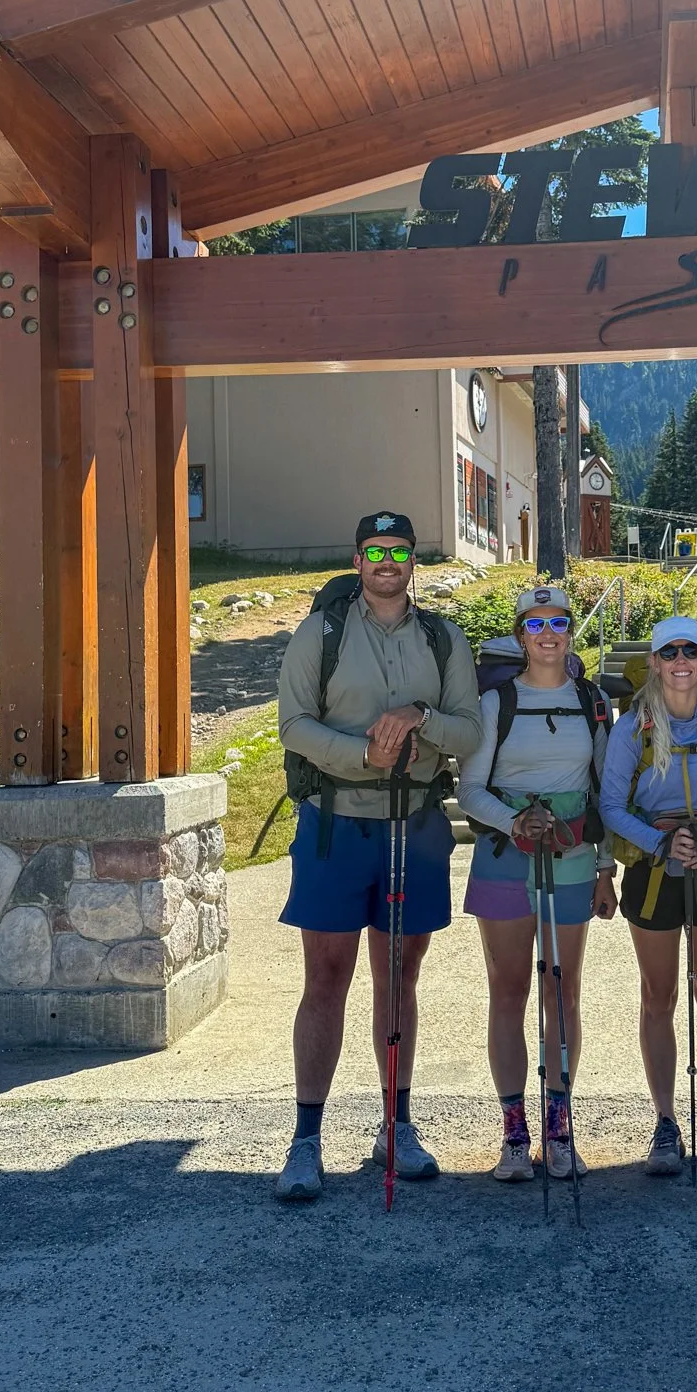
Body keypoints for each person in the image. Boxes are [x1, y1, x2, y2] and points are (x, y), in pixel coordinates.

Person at [272, 512, 481, 1203]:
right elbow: (294, 725)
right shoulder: (322, 631)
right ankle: (306, 1139)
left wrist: (421, 719)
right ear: (357, 559)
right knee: (326, 979)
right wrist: (360, 753)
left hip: (413, 824)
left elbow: (471, 732)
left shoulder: (442, 638)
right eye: (375, 551)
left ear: (414, 560)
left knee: (398, 978)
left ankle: (396, 1124)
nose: (387, 561)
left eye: (399, 550)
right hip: (335, 827)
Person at [457, 586, 616, 1182]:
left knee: (562, 990)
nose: (548, 632)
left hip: (572, 855)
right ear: (520, 634)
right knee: (508, 989)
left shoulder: (591, 700)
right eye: (535, 623)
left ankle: (560, 1123)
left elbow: (605, 790)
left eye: (559, 622)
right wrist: (515, 820)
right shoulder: (496, 703)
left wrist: (605, 866)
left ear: (570, 632)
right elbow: (470, 788)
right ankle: (514, 1130)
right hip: (505, 854)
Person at [599, 616, 697, 1177]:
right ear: (657, 661)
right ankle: (666, 1121)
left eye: (692, 650)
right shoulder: (633, 727)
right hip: (654, 867)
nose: (681, 660)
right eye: (670, 652)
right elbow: (612, 806)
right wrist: (662, 843)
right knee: (658, 995)